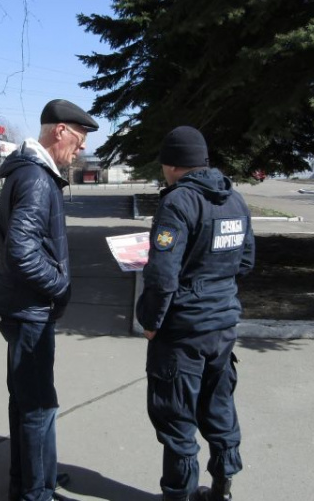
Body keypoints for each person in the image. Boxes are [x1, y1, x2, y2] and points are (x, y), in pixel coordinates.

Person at [136, 126, 255, 501]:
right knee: (219, 410)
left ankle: (179, 496)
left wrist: (152, 324)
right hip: (222, 327)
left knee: (177, 421)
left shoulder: (178, 202)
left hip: (182, 332)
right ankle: (222, 491)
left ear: (171, 165)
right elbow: (246, 261)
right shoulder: (234, 200)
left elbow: (161, 276)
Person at [0, 99, 98, 501]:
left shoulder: (30, 172)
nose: (81, 148)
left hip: (19, 305)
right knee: (38, 407)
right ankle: (36, 494)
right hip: (28, 309)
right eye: (79, 138)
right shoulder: (36, 178)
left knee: (25, 401)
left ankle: (33, 480)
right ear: (60, 131)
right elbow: (21, 250)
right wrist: (60, 285)